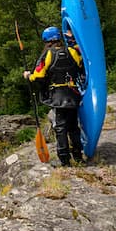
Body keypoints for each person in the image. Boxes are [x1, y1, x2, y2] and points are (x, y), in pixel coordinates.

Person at [23, 26, 85, 166]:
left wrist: (28, 76)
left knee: (61, 127)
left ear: (46, 41)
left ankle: (65, 160)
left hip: (58, 96)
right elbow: (81, 64)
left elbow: (38, 76)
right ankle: (78, 156)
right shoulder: (72, 51)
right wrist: (72, 39)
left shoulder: (47, 54)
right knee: (74, 126)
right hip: (73, 94)